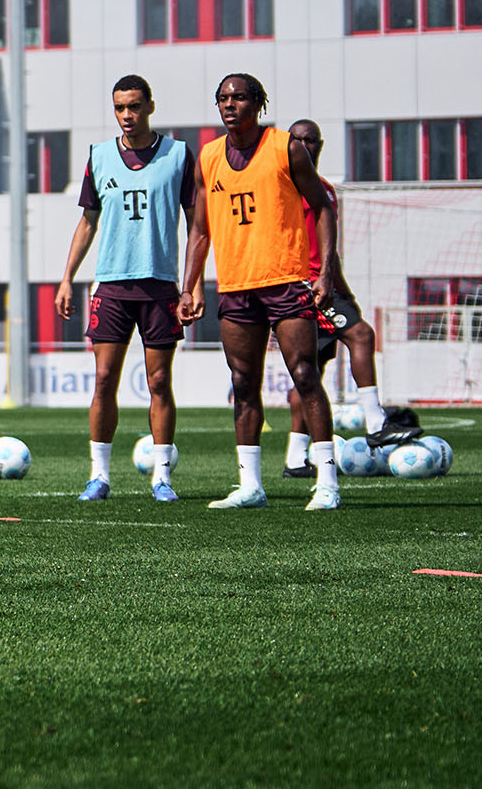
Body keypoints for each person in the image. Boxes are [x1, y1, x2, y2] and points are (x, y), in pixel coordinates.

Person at [181, 74, 340, 510]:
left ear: (258, 103)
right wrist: (189, 287)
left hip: (286, 280)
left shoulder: (286, 147)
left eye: (239, 97)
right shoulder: (209, 157)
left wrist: (324, 275)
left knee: (305, 375)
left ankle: (327, 481)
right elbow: (199, 230)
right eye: (223, 99)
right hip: (235, 286)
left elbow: (323, 208)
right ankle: (250, 485)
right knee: (242, 382)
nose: (230, 104)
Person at [54, 75, 196, 502]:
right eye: (119, 108)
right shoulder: (98, 156)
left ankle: (162, 478)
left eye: (134, 106)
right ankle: (98, 477)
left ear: (150, 105)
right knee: (103, 380)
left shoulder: (178, 155)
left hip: (160, 287)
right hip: (111, 286)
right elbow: (88, 221)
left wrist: (192, 285)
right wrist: (66, 278)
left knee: (158, 381)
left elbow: (197, 226)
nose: (127, 116)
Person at [279, 120, 419, 475]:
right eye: (298, 139)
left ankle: (296, 460)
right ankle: (376, 423)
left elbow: (329, 251)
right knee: (362, 335)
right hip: (305, 287)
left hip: (324, 283)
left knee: (308, 371)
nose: (306, 145)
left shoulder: (324, 188)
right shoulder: (285, 189)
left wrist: (342, 288)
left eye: (311, 140)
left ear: (320, 146)